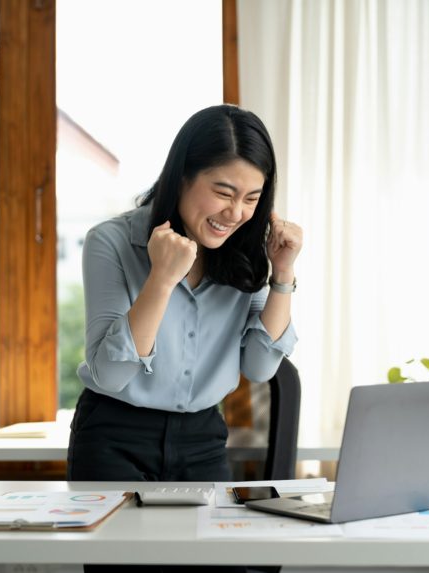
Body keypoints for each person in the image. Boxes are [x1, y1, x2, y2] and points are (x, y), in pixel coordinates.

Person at [67, 104, 302, 572]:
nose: (235, 213)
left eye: (252, 198)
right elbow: (111, 374)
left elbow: (259, 367)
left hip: (202, 441)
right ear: (181, 178)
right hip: (113, 437)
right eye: (223, 192)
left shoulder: (247, 257)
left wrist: (282, 275)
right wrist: (161, 279)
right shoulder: (110, 242)